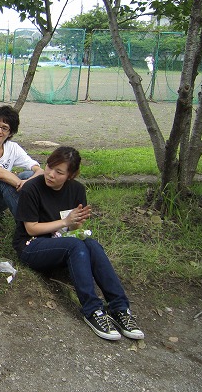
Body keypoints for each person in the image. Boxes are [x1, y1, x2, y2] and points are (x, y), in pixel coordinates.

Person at [13, 146, 145, 342]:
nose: (50, 174)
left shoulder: (77, 190)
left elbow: (73, 228)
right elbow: (31, 228)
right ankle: (93, 311)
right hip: (32, 245)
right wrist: (66, 222)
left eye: (59, 172)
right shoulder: (32, 188)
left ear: (71, 175)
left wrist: (76, 222)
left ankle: (120, 307)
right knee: (75, 246)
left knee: (91, 244)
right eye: (49, 167)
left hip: (61, 242)